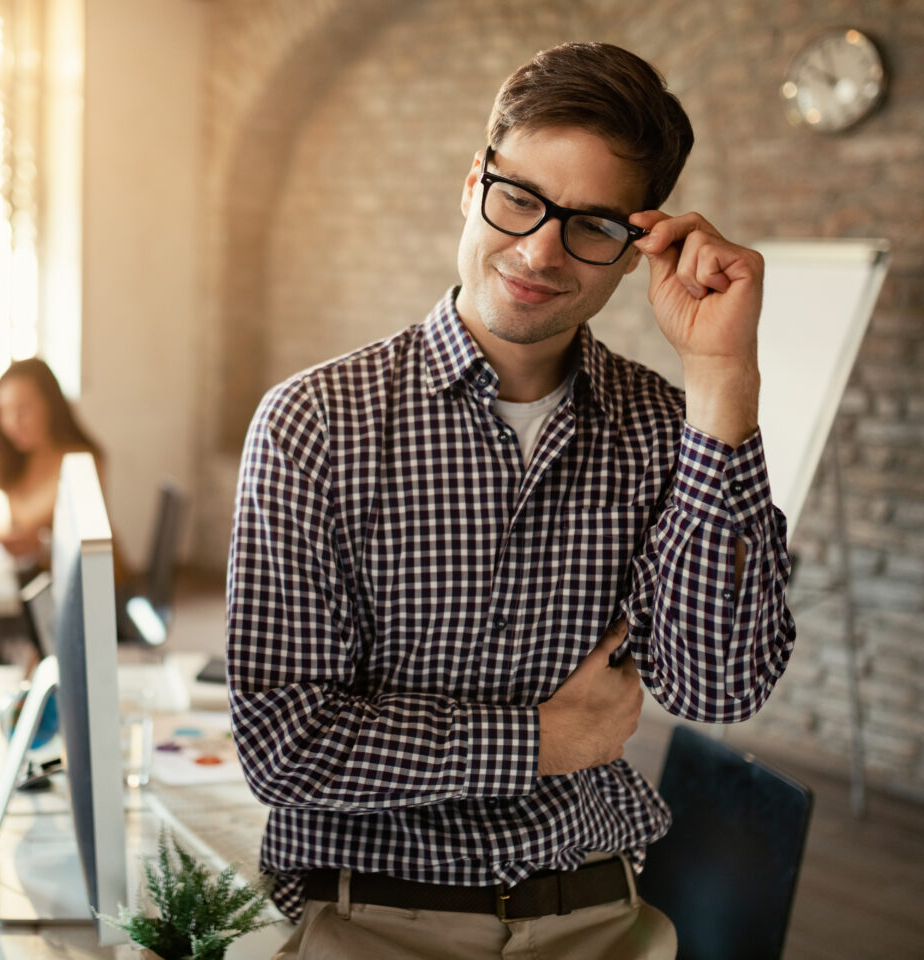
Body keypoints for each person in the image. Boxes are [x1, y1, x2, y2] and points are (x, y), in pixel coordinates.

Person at [226, 42, 796, 960]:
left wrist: (722, 378)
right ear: (472, 186)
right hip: (369, 918)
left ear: (636, 248)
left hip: (598, 915)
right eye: (520, 199)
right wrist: (541, 740)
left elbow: (718, 685)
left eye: (593, 225)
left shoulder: (665, 428)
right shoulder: (316, 421)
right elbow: (286, 749)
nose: (538, 251)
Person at [0, 358, 118, 745]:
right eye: (5, 411)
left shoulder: (80, 461)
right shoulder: (22, 459)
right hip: (36, 583)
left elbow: (58, 535)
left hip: (82, 596)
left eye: (24, 409)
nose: (13, 422)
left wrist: (32, 540)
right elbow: (17, 514)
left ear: (51, 406)